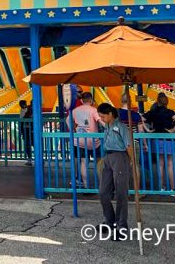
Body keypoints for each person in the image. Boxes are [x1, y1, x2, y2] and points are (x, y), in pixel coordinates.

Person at [96, 103, 132, 238]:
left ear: (110, 114)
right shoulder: (107, 127)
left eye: (103, 116)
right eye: (100, 116)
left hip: (120, 157)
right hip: (108, 157)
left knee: (121, 193)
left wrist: (132, 161)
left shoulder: (121, 127)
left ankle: (121, 226)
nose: (101, 118)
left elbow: (128, 145)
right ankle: (109, 221)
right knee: (103, 192)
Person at [143, 92, 175, 194]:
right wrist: (172, 131)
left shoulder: (153, 112)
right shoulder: (170, 112)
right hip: (169, 139)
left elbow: (141, 119)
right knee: (170, 164)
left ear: (157, 101)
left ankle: (161, 187)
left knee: (160, 164)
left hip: (157, 139)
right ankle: (173, 189)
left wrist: (148, 130)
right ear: (166, 102)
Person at [68, 91, 101, 186]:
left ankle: (86, 186)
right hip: (94, 141)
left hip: (79, 140)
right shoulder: (93, 110)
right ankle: (102, 184)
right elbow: (100, 121)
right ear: (91, 100)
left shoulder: (75, 110)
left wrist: (73, 130)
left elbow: (68, 120)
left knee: (84, 163)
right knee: (99, 162)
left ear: (82, 100)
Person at [19, 100, 33, 166]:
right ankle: (30, 159)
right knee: (28, 145)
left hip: (29, 129)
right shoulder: (26, 110)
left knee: (30, 144)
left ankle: (31, 159)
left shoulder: (29, 110)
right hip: (26, 129)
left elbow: (22, 119)